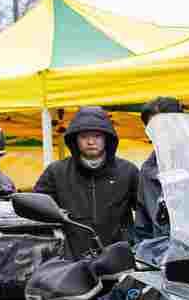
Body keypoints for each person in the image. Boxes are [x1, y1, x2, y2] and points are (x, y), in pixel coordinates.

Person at [34, 106, 141, 250]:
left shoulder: (128, 171)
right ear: (75, 139)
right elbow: (36, 209)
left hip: (120, 258)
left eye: (97, 136)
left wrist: (138, 246)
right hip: (70, 260)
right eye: (84, 136)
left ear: (107, 138)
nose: (91, 142)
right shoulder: (56, 172)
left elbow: (146, 211)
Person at [132, 96, 184, 243]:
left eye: (166, 126)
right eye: (154, 128)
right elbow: (143, 226)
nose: (161, 133)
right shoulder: (147, 170)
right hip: (165, 256)